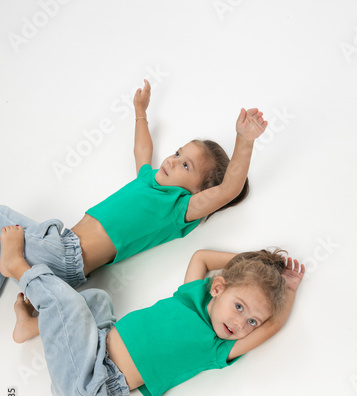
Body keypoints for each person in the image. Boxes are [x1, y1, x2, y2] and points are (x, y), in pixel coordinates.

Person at [0, 79, 268, 294]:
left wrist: (244, 141)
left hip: (67, 257)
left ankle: (15, 267)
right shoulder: (147, 179)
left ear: (198, 192)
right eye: (177, 153)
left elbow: (227, 190)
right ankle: (13, 272)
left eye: (186, 166)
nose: (173, 162)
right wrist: (141, 112)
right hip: (58, 245)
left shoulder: (178, 208)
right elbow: (142, 149)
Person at [1, 225, 304, 396]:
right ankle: (32, 325)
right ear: (218, 287)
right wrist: (254, 261)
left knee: (68, 304)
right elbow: (201, 256)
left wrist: (288, 289)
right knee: (97, 298)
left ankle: (17, 266)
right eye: (239, 307)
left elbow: (274, 323)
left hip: (93, 381)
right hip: (99, 339)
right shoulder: (192, 295)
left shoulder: (217, 348)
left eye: (251, 322)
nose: (240, 324)